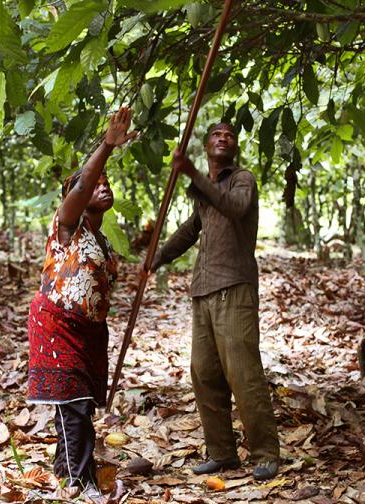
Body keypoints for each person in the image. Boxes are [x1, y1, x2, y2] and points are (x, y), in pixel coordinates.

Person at [147, 122, 280, 481]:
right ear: (207, 146)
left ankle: (265, 453)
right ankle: (222, 453)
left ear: (234, 148)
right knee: (204, 374)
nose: (223, 138)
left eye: (230, 136)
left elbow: (235, 208)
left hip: (234, 287)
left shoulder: (242, 179)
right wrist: (159, 256)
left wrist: (192, 173)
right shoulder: (208, 190)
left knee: (243, 372)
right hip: (202, 291)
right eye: (217, 135)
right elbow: (193, 228)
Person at [26, 108, 136, 498]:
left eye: (107, 184)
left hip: (89, 330)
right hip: (58, 324)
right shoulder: (67, 225)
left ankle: (66, 467)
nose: (101, 187)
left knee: (81, 403)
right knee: (71, 403)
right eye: (94, 183)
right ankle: (78, 481)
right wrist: (107, 145)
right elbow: (80, 185)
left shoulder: (102, 241)